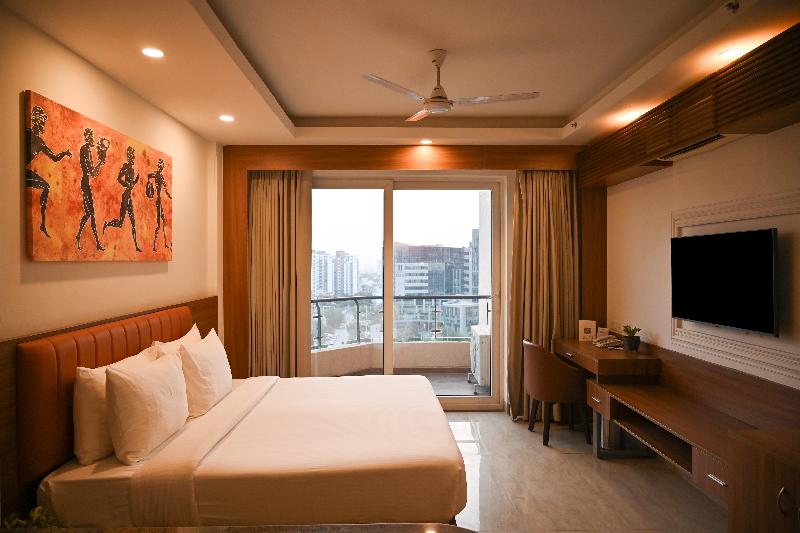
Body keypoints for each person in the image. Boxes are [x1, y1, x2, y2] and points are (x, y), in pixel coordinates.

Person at [25, 105, 71, 237]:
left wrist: (64, 153)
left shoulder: (39, 142)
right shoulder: (27, 133)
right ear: (37, 121)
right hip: (17, 172)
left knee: (46, 186)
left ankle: (42, 224)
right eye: (42, 122)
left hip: (23, 172)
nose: (44, 125)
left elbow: (54, 157)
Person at [103, 146, 142, 252]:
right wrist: (126, 184)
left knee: (133, 222)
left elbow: (131, 185)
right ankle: (107, 223)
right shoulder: (125, 167)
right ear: (129, 157)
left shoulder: (132, 170)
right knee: (120, 223)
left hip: (129, 196)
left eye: (133, 156)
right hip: (125, 196)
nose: (133, 158)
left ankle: (136, 245)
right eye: (132, 156)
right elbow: (119, 178)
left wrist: (135, 181)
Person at [75, 128, 108, 251]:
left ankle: (81, 236)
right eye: (90, 136)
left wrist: (100, 163)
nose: (92, 139)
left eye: (92, 136)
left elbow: (93, 173)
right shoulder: (85, 150)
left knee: (89, 214)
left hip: (86, 183)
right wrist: (100, 162)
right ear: (87, 137)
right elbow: (92, 172)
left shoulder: (87, 150)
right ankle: (95, 242)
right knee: (91, 214)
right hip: (85, 184)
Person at [147, 158, 171, 252]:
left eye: (162, 166)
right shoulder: (156, 174)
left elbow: (165, 188)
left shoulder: (161, 176)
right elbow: (149, 175)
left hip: (159, 201)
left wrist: (169, 196)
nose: (161, 167)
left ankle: (164, 243)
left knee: (163, 222)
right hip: (157, 201)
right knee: (158, 224)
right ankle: (154, 245)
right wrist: (150, 186)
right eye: (160, 165)